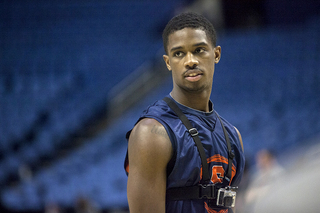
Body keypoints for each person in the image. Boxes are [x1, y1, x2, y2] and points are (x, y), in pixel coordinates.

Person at [124, 12, 245, 213]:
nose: (190, 61)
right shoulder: (151, 133)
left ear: (216, 54)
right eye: (179, 53)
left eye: (199, 50)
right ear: (168, 61)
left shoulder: (234, 136)